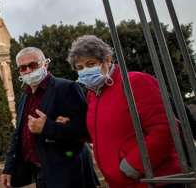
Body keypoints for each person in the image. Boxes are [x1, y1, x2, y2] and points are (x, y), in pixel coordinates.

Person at [66, 35, 181, 188]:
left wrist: (132, 166)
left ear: (107, 60)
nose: (85, 70)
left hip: (153, 181)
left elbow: (165, 129)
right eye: (79, 68)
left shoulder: (135, 82)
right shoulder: (93, 95)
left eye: (90, 63)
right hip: (121, 183)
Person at [1, 47, 98, 188]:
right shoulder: (24, 97)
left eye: (32, 65)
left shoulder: (67, 88)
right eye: (22, 68)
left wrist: (47, 127)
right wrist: (9, 168)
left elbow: (86, 131)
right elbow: (18, 135)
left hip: (69, 173)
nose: (28, 70)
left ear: (45, 64)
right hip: (41, 173)